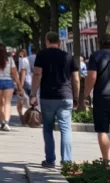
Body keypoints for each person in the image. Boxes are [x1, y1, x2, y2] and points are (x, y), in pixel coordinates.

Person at [31, 31, 79, 168]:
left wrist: (33, 94)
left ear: (46, 42)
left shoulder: (41, 55)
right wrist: (75, 96)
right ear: (59, 42)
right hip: (66, 96)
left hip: (48, 97)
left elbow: (37, 74)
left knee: (47, 129)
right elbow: (76, 78)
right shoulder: (69, 56)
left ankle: (50, 160)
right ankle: (67, 162)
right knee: (66, 129)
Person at [83, 34, 110, 162]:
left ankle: (106, 163)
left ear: (99, 44)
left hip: (102, 98)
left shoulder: (95, 56)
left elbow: (92, 77)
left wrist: (86, 94)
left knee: (102, 130)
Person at [0, 43, 21, 131]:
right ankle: (6, 122)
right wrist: (19, 85)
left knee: (0, 103)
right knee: (7, 103)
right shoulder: (10, 59)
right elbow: (14, 73)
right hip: (8, 81)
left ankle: (3, 122)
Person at [16, 49, 34, 122]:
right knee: (27, 100)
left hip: (25, 82)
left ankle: (23, 116)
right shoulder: (25, 59)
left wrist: (21, 85)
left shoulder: (23, 60)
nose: (20, 54)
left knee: (21, 99)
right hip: (29, 81)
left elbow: (23, 72)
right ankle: (28, 116)